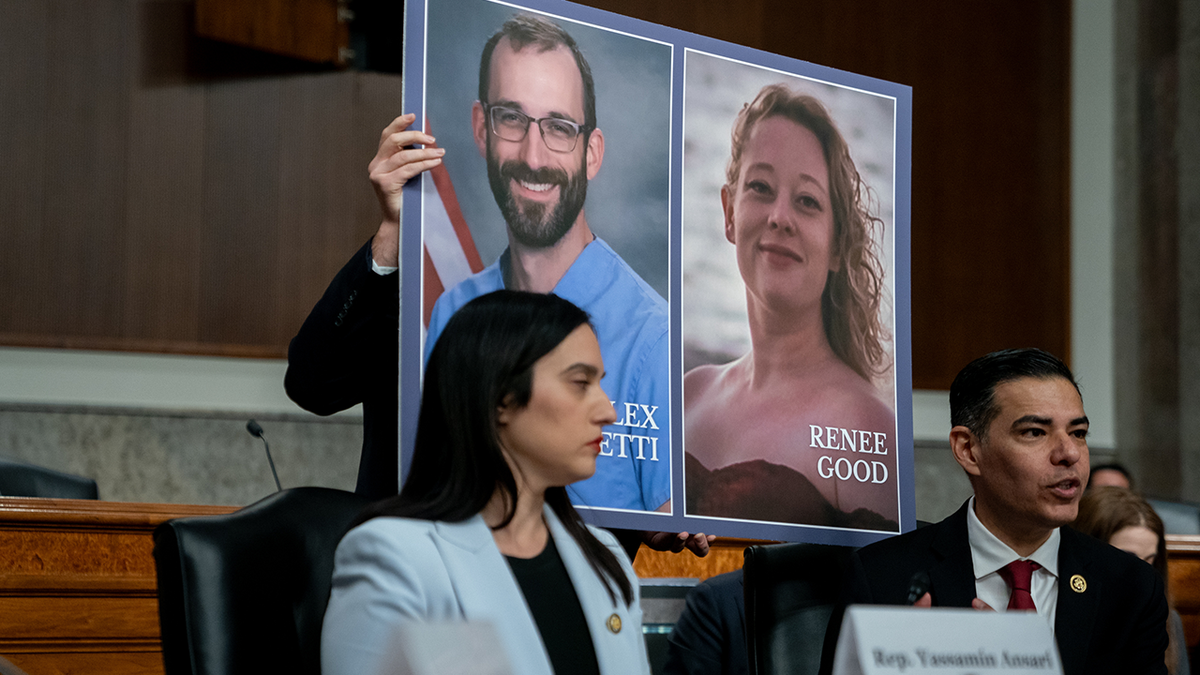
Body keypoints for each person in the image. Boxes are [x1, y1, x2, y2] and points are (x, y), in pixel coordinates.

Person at [418, 13, 672, 517]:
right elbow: (434, 495)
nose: (533, 157)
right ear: (481, 129)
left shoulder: (654, 337)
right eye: (511, 118)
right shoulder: (454, 314)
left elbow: (671, 545)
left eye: (559, 128)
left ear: (591, 153)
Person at [321, 290, 650, 675]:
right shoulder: (398, 559)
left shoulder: (604, 556)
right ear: (501, 399)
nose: (609, 411)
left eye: (601, 384)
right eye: (580, 383)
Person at [827, 348, 1168, 675]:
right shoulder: (884, 579)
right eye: (1035, 432)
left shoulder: (1130, 587)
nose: (1069, 453)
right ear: (968, 449)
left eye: (1078, 433)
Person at [684, 84, 896, 530]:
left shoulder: (866, 423)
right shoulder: (688, 395)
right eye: (760, 187)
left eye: (807, 201)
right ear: (728, 213)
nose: (780, 216)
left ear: (838, 246)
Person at [1073, 486, 1189, 674]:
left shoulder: (1169, 620)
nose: (1142, 577)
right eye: (1129, 561)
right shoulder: (1058, 606)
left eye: (1149, 561)